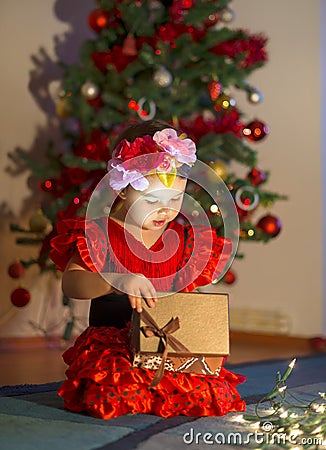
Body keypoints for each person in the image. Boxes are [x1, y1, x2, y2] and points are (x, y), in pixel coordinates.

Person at [50, 119, 246, 419]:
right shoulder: (101, 234)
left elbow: (188, 303)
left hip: (163, 343)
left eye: (175, 198)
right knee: (113, 387)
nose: (164, 209)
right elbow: (72, 284)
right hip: (113, 341)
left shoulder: (182, 241)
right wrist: (114, 280)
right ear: (125, 190)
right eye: (152, 199)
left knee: (210, 390)